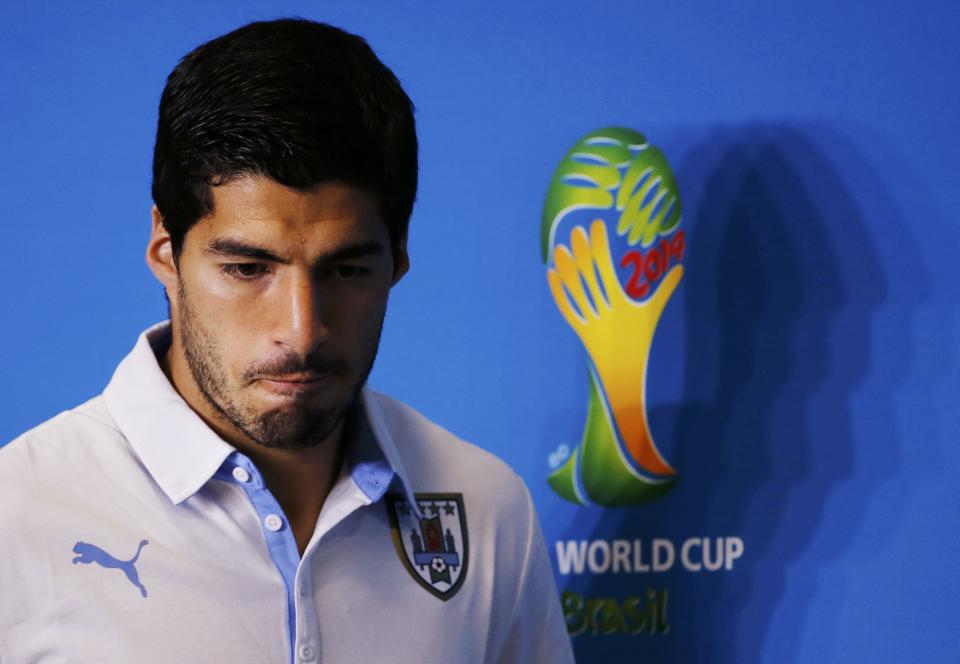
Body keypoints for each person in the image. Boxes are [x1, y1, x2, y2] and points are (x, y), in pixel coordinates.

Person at [0, 19, 574, 664]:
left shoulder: (485, 504)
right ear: (167, 251)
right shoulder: (17, 514)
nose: (302, 331)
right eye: (248, 269)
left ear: (399, 260)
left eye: (347, 270)